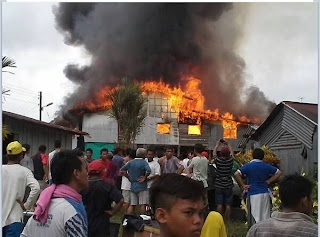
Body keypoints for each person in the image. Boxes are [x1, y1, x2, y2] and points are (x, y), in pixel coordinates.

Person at [21, 150, 89, 237]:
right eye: (85, 169)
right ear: (76, 173)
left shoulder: (41, 208)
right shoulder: (72, 211)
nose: (87, 173)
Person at [246, 175, 317, 237]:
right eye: (311, 198)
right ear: (304, 201)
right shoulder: (313, 232)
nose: (312, 202)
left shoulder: (257, 230)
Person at [234, 148, 282, 227]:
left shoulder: (248, 166)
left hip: (253, 193)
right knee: (265, 216)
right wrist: (269, 181)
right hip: (265, 193)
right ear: (263, 157)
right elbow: (279, 172)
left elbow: (237, 174)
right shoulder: (266, 166)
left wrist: (243, 185)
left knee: (255, 216)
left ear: (252, 156)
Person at [2, 141, 40, 237]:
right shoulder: (25, 172)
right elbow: (36, 188)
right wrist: (27, 205)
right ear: (21, 156)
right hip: (14, 220)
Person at [82, 160, 124, 237]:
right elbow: (120, 200)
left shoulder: (82, 186)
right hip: (102, 221)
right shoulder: (107, 186)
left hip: (85, 220)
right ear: (103, 172)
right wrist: (112, 212)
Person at [121, 148, 151, 214]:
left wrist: (128, 177)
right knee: (143, 204)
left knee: (132, 204)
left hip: (133, 185)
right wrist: (144, 177)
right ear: (143, 155)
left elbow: (122, 170)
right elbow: (149, 170)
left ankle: (128, 218)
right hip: (142, 185)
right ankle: (142, 218)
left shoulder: (130, 162)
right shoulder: (143, 162)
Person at [213, 139, 234, 221]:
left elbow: (214, 154)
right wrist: (228, 144)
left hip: (219, 184)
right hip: (228, 184)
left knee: (219, 203)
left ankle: (219, 220)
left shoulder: (218, 161)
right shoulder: (230, 160)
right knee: (228, 204)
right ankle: (228, 220)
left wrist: (217, 145)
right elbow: (232, 153)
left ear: (220, 153)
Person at [121, 149, 135, 213]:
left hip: (126, 185)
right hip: (131, 184)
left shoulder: (127, 163)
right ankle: (127, 214)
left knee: (127, 201)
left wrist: (129, 177)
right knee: (131, 202)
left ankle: (125, 214)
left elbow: (122, 171)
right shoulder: (134, 163)